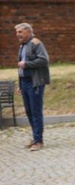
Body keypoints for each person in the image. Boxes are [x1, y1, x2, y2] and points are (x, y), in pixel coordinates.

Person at [15, 23, 50, 151]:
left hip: (34, 82)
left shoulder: (36, 43)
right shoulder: (23, 46)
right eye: (17, 32)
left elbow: (44, 60)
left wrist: (27, 64)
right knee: (29, 112)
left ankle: (38, 141)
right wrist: (20, 85)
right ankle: (35, 138)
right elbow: (20, 68)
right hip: (24, 82)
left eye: (20, 32)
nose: (18, 34)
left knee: (35, 112)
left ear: (28, 32)